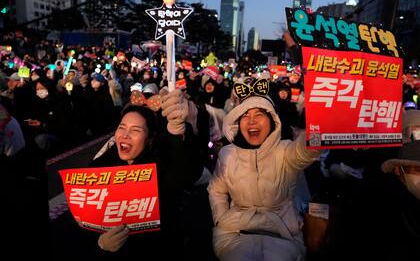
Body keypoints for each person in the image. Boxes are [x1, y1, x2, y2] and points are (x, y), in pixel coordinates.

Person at [61, 89, 204, 258]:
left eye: (135, 130)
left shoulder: (161, 169)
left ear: (150, 139)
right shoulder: (101, 166)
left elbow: (184, 172)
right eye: (122, 128)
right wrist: (100, 244)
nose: (126, 135)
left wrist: (177, 130)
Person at [207, 78, 322, 261]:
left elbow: (304, 152)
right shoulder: (227, 154)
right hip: (235, 234)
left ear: (272, 120)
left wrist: (321, 128)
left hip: (283, 235)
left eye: (259, 114)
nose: (251, 121)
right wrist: (221, 217)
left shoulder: (285, 150)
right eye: (245, 115)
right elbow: (216, 189)